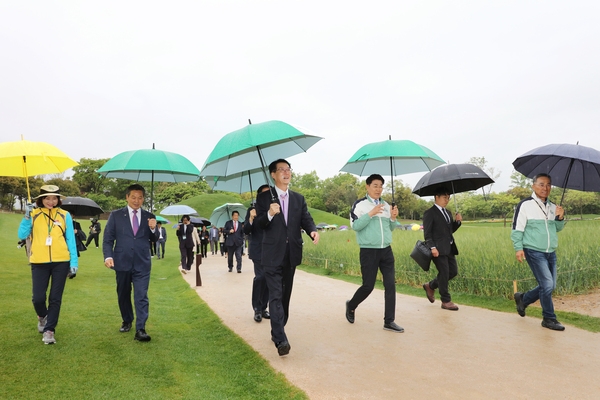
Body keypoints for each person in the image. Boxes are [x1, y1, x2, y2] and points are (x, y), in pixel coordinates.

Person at [255, 158, 319, 356]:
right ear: (273, 174)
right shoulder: (265, 199)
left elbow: (305, 218)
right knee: (275, 295)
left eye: (288, 169)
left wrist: (312, 231)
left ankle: (277, 329)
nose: (286, 172)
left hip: (291, 255)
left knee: (284, 297)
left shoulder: (298, 198)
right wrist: (269, 214)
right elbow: (258, 225)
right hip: (272, 255)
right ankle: (281, 340)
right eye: (281, 169)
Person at [18, 185, 79, 345]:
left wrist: (74, 262)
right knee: (38, 298)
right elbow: (22, 235)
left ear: (58, 199)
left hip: (61, 261)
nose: (51, 201)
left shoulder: (65, 215)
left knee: (55, 298)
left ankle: (49, 330)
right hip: (39, 261)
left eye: (54, 198)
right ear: (41, 199)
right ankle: (42, 316)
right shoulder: (33, 214)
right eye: (47, 198)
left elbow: (71, 241)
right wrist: (26, 217)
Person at [345, 174, 403, 333]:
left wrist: (392, 217)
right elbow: (355, 226)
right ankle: (351, 305)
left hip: (386, 250)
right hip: (368, 251)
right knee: (368, 286)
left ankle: (389, 321)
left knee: (390, 285)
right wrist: (371, 213)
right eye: (375, 185)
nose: (379, 189)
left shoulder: (386, 205)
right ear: (367, 186)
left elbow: (390, 228)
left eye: (381, 186)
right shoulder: (360, 205)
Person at [103, 184, 158, 342]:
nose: (136, 200)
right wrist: (108, 256)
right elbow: (108, 239)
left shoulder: (149, 215)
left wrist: (154, 229)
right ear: (127, 197)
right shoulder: (116, 215)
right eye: (133, 197)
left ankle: (140, 329)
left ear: (143, 199)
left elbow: (154, 239)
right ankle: (127, 320)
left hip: (142, 263)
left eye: (140, 197)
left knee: (141, 296)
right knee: (123, 294)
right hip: (122, 262)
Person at [511, 173, 566, 331]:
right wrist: (518, 248)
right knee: (547, 284)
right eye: (541, 184)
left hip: (550, 251)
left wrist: (560, 218)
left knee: (550, 285)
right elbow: (517, 228)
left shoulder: (553, 206)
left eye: (548, 185)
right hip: (533, 250)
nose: (545, 188)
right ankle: (549, 318)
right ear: (533, 186)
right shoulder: (525, 205)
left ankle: (523, 299)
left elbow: (557, 228)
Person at [421, 187, 463, 311]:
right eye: (445, 197)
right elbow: (427, 233)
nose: (447, 200)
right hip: (437, 249)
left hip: (449, 247)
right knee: (444, 273)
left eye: (448, 197)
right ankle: (446, 300)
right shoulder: (430, 213)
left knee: (453, 272)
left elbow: (449, 231)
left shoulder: (448, 212)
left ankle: (431, 285)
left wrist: (458, 222)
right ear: (436, 197)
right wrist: (432, 247)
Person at [244, 184, 271, 323]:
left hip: (271, 250)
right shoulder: (252, 210)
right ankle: (257, 308)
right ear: (259, 195)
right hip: (257, 249)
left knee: (268, 279)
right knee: (260, 277)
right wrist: (250, 219)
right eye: (264, 193)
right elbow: (246, 231)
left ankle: (264, 307)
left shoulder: (274, 208)